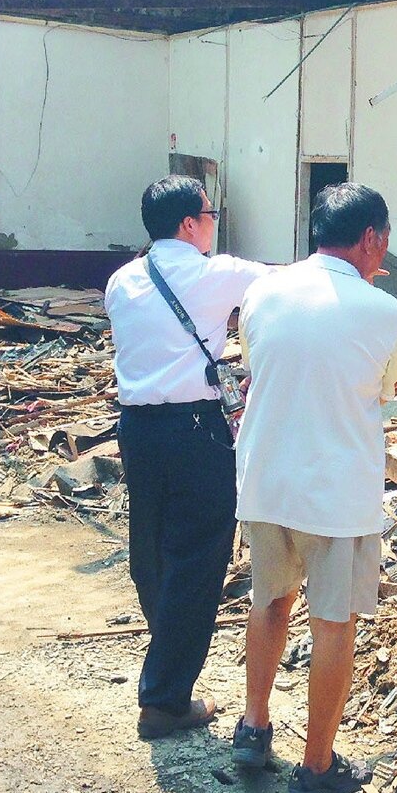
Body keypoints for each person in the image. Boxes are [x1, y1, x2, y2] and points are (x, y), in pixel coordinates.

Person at [231, 183, 397, 793]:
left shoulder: (262, 291)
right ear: (371, 239)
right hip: (336, 493)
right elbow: (385, 389)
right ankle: (316, 765)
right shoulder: (383, 311)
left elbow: (257, 368)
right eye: (384, 241)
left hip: (265, 479)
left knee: (268, 601)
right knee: (334, 622)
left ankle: (253, 727)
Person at [105, 175, 268, 740]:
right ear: (189, 223)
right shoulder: (215, 274)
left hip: (136, 428)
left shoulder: (122, 281)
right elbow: (286, 285)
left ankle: (166, 656)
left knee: (150, 546)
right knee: (198, 557)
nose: (214, 224)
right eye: (210, 214)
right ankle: (165, 699)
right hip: (195, 428)